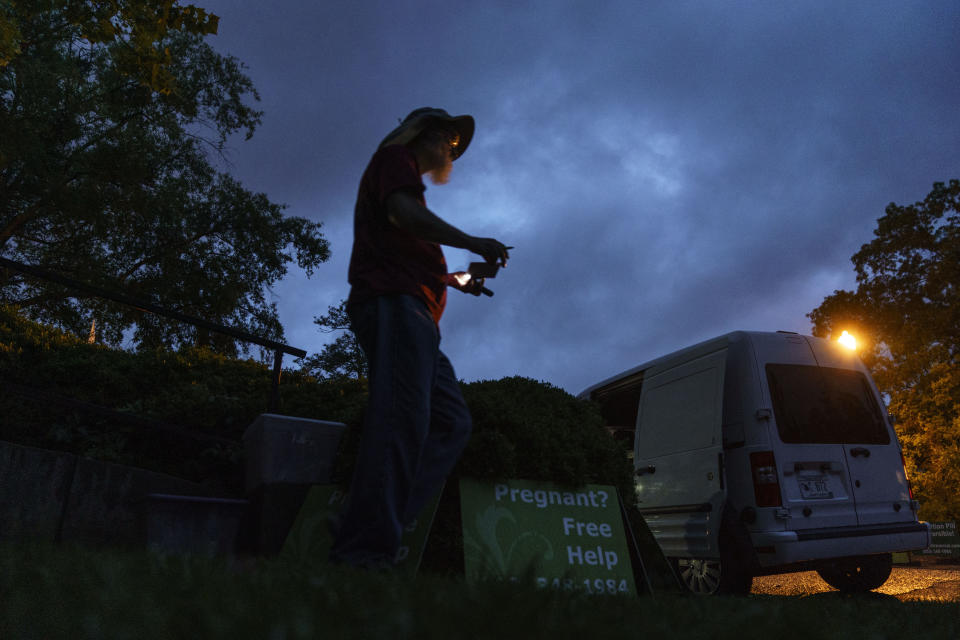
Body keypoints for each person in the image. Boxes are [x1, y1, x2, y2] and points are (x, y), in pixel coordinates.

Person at [329, 107, 510, 569]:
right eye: (450, 141)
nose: (453, 152)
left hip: (418, 314)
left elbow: (412, 251)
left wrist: (458, 280)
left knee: (450, 423)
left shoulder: (404, 178)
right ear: (425, 133)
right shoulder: (393, 159)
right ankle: (363, 554)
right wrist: (472, 240)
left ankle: (364, 524)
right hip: (396, 305)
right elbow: (402, 215)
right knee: (401, 421)